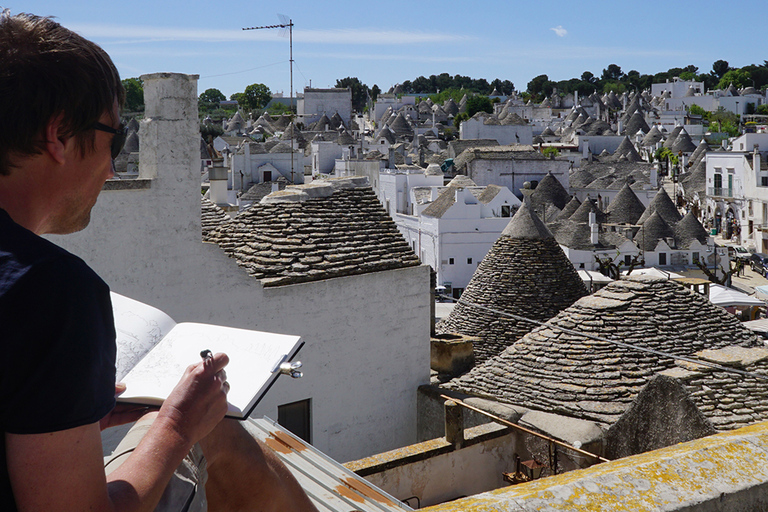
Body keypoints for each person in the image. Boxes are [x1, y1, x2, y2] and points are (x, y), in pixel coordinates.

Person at [0, 12, 317, 512]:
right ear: (58, 136)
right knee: (219, 433)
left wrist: (64, 411)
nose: (110, 167)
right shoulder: (52, 291)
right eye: (114, 138)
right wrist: (177, 425)